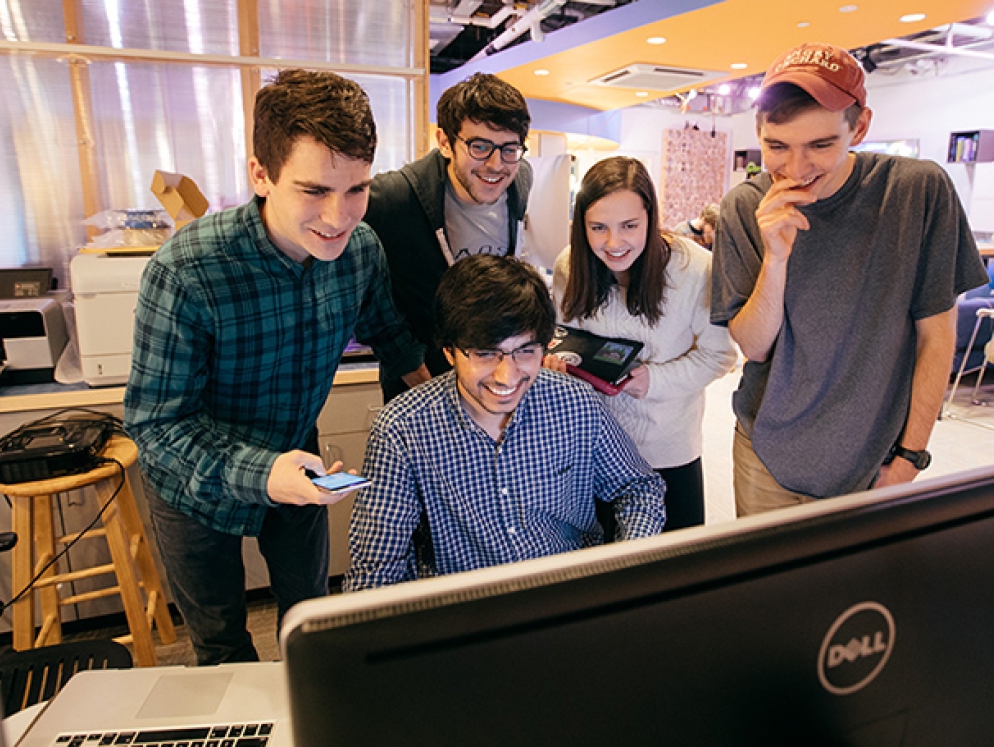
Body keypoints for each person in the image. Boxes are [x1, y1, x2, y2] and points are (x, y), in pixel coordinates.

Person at [124, 69, 430, 664]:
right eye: (314, 191)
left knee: (310, 624)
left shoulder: (360, 251)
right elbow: (156, 426)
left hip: (299, 462)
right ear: (260, 175)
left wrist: (457, 403)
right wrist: (264, 473)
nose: (339, 217)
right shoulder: (186, 269)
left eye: (357, 189)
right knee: (220, 643)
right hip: (193, 487)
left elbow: (392, 339)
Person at [709, 43, 988, 517]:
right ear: (758, 132)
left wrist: (910, 457)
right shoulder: (745, 207)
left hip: (875, 460)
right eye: (777, 147)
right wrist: (775, 258)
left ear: (859, 127)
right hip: (766, 450)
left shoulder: (916, 190)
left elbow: (936, 337)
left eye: (820, 145)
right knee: (770, 570)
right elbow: (754, 347)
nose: (796, 169)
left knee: (861, 570)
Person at [343, 255, 666, 592]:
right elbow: (377, 567)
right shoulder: (402, 430)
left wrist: (622, 573)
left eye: (525, 351)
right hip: (465, 606)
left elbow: (639, 488)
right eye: (485, 354)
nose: (507, 376)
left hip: (570, 592)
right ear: (450, 352)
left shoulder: (576, 403)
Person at [550, 157, 737, 532]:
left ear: (651, 218)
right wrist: (559, 367)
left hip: (667, 449)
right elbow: (564, 338)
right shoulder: (571, 266)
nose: (613, 243)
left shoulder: (695, 269)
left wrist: (654, 380)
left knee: (672, 559)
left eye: (629, 226)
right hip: (592, 447)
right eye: (598, 228)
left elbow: (720, 355)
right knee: (600, 556)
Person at [363, 72, 533, 403]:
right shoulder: (392, 198)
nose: (495, 164)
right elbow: (366, 300)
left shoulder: (520, 180)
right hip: (423, 386)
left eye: (509, 148)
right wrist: (415, 372)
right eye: (479, 146)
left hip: (497, 383)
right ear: (444, 142)